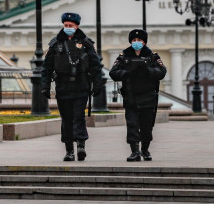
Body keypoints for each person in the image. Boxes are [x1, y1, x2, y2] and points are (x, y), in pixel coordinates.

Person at [41, 12, 103, 162]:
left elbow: (95, 66)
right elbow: (47, 67)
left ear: (77, 26)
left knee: (78, 117)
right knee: (66, 119)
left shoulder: (86, 43)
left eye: (71, 25)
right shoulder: (55, 43)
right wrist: (45, 86)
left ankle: (81, 146)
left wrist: (97, 84)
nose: (68, 27)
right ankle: (69, 150)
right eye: (66, 25)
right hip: (63, 87)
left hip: (81, 86)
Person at [109, 29, 167, 161]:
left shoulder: (152, 56)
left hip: (148, 97)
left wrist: (148, 71)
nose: (136, 42)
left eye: (139, 40)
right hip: (131, 97)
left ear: (144, 42)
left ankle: (145, 150)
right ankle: (135, 151)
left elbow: (162, 71)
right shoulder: (124, 56)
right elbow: (113, 73)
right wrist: (127, 73)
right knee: (132, 124)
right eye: (134, 40)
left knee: (147, 125)